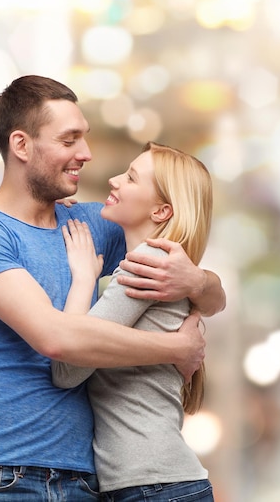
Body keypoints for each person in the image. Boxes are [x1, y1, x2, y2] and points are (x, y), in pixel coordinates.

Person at [0, 75, 225, 501]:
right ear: (21, 145)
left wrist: (198, 281)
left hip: (88, 480)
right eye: (69, 140)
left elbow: (193, 277)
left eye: (84, 139)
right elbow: (55, 338)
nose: (86, 155)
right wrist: (176, 350)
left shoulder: (89, 225)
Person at [52, 141, 216, 501]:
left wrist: (83, 278)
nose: (113, 180)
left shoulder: (148, 264)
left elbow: (67, 369)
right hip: (156, 484)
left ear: (161, 211)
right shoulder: (162, 262)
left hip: (152, 486)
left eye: (130, 178)